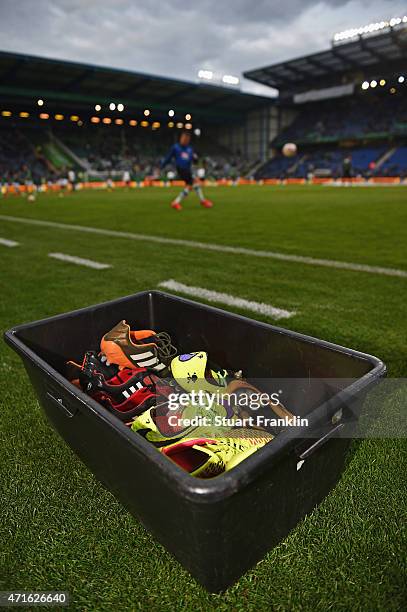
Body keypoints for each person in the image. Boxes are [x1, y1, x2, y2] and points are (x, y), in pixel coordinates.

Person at [161, 131, 213, 210]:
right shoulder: (176, 147)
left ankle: (177, 202)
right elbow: (168, 157)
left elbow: (194, 160)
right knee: (193, 183)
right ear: (181, 138)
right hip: (181, 169)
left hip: (188, 169)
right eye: (183, 138)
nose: (185, 140)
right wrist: (163, 165)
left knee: (193, 184)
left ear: (188, 140)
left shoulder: (190, 149)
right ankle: (201, 201)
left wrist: (195, 159)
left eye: (186, 139)